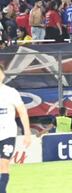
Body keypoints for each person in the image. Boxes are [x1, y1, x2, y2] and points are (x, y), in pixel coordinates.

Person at [0, 64, 31, 193]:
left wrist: (27, 133)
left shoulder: (11, 92)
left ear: (3, 75)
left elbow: (22, 112)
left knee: (4, 163)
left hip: (7, 134)